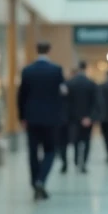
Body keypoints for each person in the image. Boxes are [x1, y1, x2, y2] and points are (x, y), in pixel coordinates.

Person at [18, 42, 67, 200]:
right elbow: (63, 93)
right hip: (51, 118)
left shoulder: (27, 71)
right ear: (49, 51)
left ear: (36, 50)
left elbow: (21, 96)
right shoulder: (56, 70)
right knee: (50, 150)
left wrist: (22, 116)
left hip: (31, 117)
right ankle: (41, 180)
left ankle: (35, 183)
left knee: (33, 152)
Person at [65, 61, 100, 173]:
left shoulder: (70, 83)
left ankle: (76, 161)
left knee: (75, 140)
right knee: (86, 141)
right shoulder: (91, 83)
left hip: (73, 118)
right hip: (87, 119)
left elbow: (66, 103)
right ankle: (83, 163)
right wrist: (90, 117)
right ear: (86, 69)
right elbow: (96, 103)